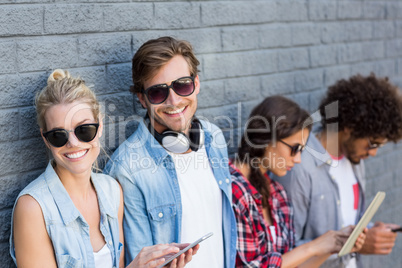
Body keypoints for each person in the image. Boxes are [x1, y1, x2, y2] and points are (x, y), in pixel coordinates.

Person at [10, 69, 194, 268]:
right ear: (45, 139)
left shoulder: (112, 191)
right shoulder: (33, 208)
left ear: (100, 126)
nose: (73, 143)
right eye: (58, 135)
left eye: (84, 130)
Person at [104, 36, 237, 267]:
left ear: (196, 83)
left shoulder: (214, 137)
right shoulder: (127, 169)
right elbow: (139, 259)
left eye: (182, 84)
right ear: (142, 100)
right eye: (158, 92)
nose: (174, 101)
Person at [275, 73, 402, 268]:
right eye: (373, 143)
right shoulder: (298, 168)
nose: (374, 153)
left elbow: (347, 223)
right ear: (350, 127)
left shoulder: (355, 161)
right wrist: (354, 245)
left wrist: (369, 232)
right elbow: (285, 254)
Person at [230, 95, 366, 268]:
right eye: (295, 149)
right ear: (266, 139)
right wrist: (313, 247)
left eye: (301, 150)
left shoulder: (277, 193)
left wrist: (333, 245)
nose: (298, 160)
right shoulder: (234, 189)